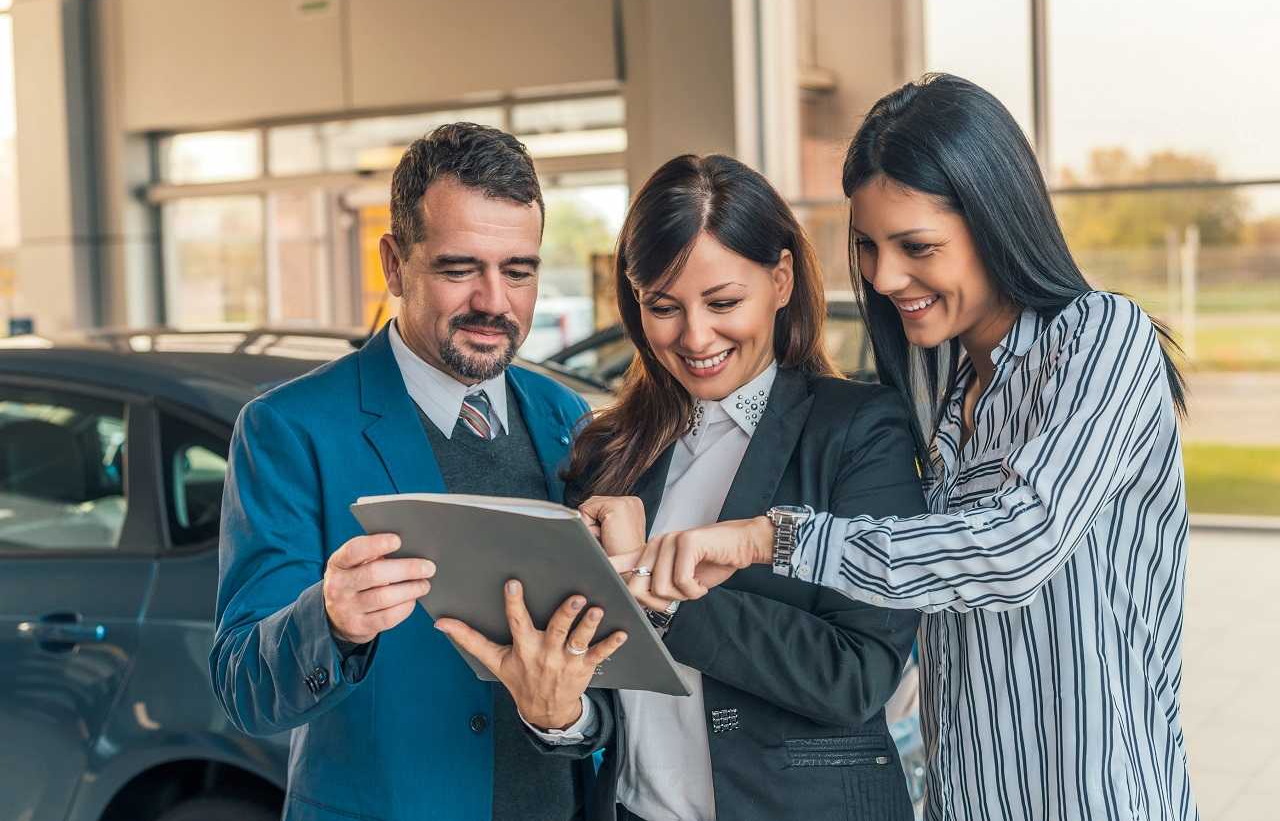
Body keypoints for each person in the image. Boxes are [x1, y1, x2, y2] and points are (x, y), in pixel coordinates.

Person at [598, 75, 1199, 821]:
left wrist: (770, 538)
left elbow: (1013, 547)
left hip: (1093, 796)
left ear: (995, 221)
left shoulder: (1101, 337)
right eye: (869, 247)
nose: (884, 277)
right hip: (967, 799)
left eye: (916, 246)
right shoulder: (937, 386)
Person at [442, 153, 925, 821]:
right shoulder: (609, 451)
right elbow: (606, 698)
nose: (696, 337)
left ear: (781, 278)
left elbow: (857, 676)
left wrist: (656, 593)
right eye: (663, 307)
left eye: (723, 302)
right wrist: (560, 714)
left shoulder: (859, 432)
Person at [210, 122, 622, 821]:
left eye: (518, 270)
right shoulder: (289, 428)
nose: (495, 301)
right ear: (395, 264)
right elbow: (244, 687)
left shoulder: (564, 416)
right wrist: (332, 620)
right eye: (460, 269)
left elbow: (599, 669)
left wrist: (571, 717)